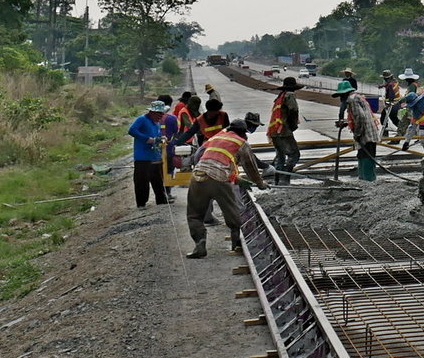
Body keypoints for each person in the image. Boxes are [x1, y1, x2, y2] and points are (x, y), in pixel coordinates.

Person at [184, 114, 269, 259]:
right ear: (243, 132)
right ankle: (236, 244)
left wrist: (237, 179)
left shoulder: (216, 137)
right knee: (232, 213)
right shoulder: (241, 142)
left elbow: (204, 156)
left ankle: (200, 245)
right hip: (218, 180)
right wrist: (260, 183)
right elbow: (251, 167)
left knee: (194, 214)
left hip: (198, 175)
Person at [334, 80, 381, 181]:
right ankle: (364, 178)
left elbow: (361, 117)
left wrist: (357, 133)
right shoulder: (358, 97)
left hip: (365, 133)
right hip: (369, 131)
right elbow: (358, 116)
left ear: (344, 93)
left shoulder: (352, 100)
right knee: (362, 155)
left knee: (366, 156)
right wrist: (347, 123)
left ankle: (367, 180)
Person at [128, 102, 171, 207]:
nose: (161, 116)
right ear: (152, 112)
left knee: (158, 181)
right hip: (142, 157)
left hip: (155, 155)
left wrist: (162, 137)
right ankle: (141, 204)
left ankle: (161, 201)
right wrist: (146, 139)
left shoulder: (157, 123)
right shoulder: (142, 119)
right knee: (142, 182)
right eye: (159, 114)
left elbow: (157, 134)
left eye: (162, 114)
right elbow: (132, 130)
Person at [268, 76, 303, 186]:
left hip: (274, 131)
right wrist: (293, 126)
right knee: (294, 154)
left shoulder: (280, 97)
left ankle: (277, 180)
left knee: (280, 156)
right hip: (283, 131)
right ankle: (285, 178)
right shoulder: (290, 95)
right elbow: (293, 111)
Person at [379, 71, 403, 136]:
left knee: (384, 117)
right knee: (394, 118)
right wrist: (382, 86)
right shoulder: (394, 82)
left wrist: (388, 104)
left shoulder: (390, 85)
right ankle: (402, 130)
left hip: (392, 104)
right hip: (397, 104)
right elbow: (388, 85)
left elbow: (391, 95)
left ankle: (385, 133)